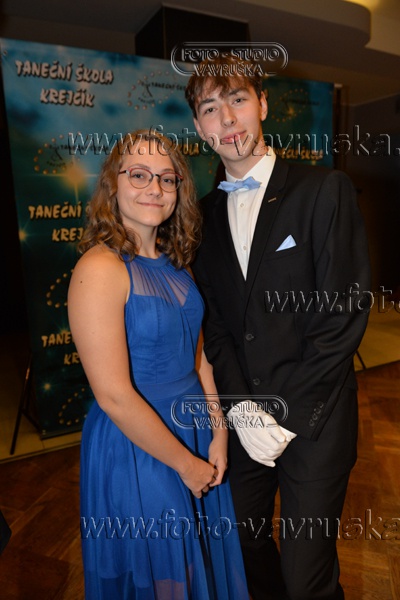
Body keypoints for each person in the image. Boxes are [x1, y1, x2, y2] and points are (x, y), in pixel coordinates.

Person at [185, 55, 371, 600]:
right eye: (210, 109)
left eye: (238, 99)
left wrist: (283, 416)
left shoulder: (324, 189)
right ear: (198, 126)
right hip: (245, 421)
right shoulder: (200, 217)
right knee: (243, 548)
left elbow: (342, 315)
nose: (227, 119)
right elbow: (217, 325)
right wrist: (242, 408)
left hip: (314, 419)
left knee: (306, 577)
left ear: (262, 104)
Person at [67, 128, 248, 599]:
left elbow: (200, 358)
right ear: (113, 183)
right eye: (139, 175)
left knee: (197, 565)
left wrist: (219, 432)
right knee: (165, 577)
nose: (155, 188)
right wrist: (185, 465)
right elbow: (113, 395)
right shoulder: (99, 269)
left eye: (167, 178)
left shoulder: (177, 264)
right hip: (138, 447)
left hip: (195, 433)